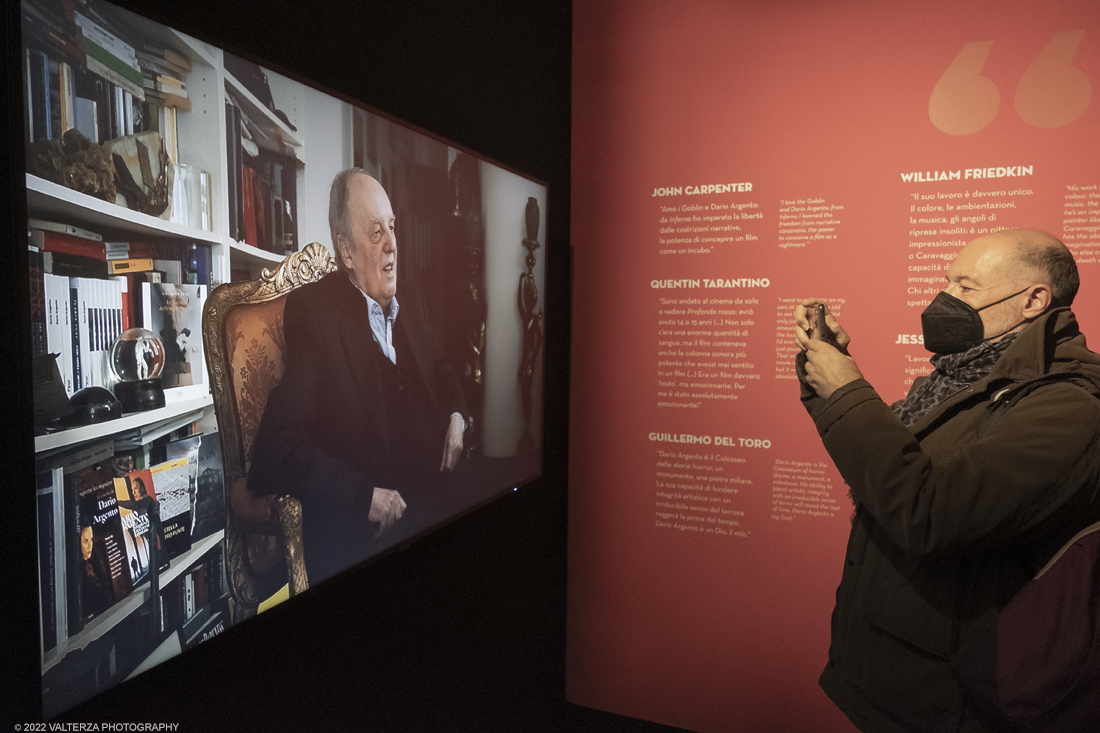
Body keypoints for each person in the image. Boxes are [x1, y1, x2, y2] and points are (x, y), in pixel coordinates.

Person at [794, 228, 1100, 732]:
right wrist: (827, 372)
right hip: (892, 673)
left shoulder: (1067, 405)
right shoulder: (961, 378)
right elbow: (887, 469)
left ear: (1034, 300)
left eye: (966, 287)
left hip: (954, 698)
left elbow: (931, 512)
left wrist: (849, 389)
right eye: (947, 283)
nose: (944, 300)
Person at [249, 169, 470, 584]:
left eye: (392, 227)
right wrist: (361, 497)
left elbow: (442, 371)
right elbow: (275, 450)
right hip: (377, 537)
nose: (392, 244)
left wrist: (458, 417)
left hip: (441, 498)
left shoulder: (409, 299)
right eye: (375, 233)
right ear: (346, 252)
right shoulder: (316, 314)